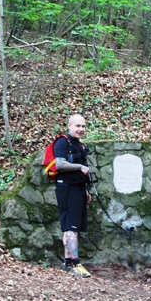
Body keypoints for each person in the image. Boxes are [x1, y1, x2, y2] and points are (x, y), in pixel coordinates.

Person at [53, 114, 92, 278]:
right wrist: (79, 167)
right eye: (77, 126)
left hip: (78, 189)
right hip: (67, 189)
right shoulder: (63, 142)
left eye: (83, 126)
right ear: (69, 126)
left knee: (72, 226)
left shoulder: (79, 145)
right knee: (71, 227)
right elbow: (59, 164)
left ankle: (68, 262)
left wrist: (85, 191)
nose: (81, 129)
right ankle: (75, 264)